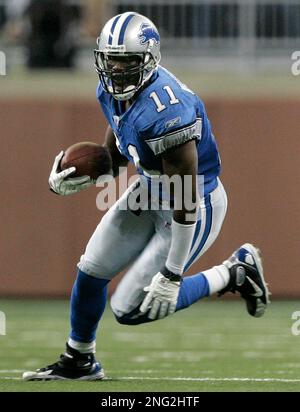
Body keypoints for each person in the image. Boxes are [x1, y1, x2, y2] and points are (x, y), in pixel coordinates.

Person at [23, 12, 270, 381]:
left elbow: (185, 194)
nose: (117, 70)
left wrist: (172, 274)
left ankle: (233, 272)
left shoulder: (167, 111)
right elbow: (119, 153)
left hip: (193, 204)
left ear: (150, 59)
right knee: (91, 269)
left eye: (127, 61)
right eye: (111, 60)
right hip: (151, 189)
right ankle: (79, 359)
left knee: (130, 307)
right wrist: (76, 178)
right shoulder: (110, 91)